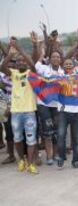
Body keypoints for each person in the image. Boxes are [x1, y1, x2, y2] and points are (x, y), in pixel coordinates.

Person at [0, 37, 38, 174]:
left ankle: (31, 163)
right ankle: (21, 160)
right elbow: (2, 67)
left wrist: (21, 50)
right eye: (19, 61)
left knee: (31, 138)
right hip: (15, 112)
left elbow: (32, 64)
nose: (21, 63)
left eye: (23, 61)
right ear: (15, 65)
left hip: (29, 112)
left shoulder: (31, 73)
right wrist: (11, 52)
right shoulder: (13, 74)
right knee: (17, 138)